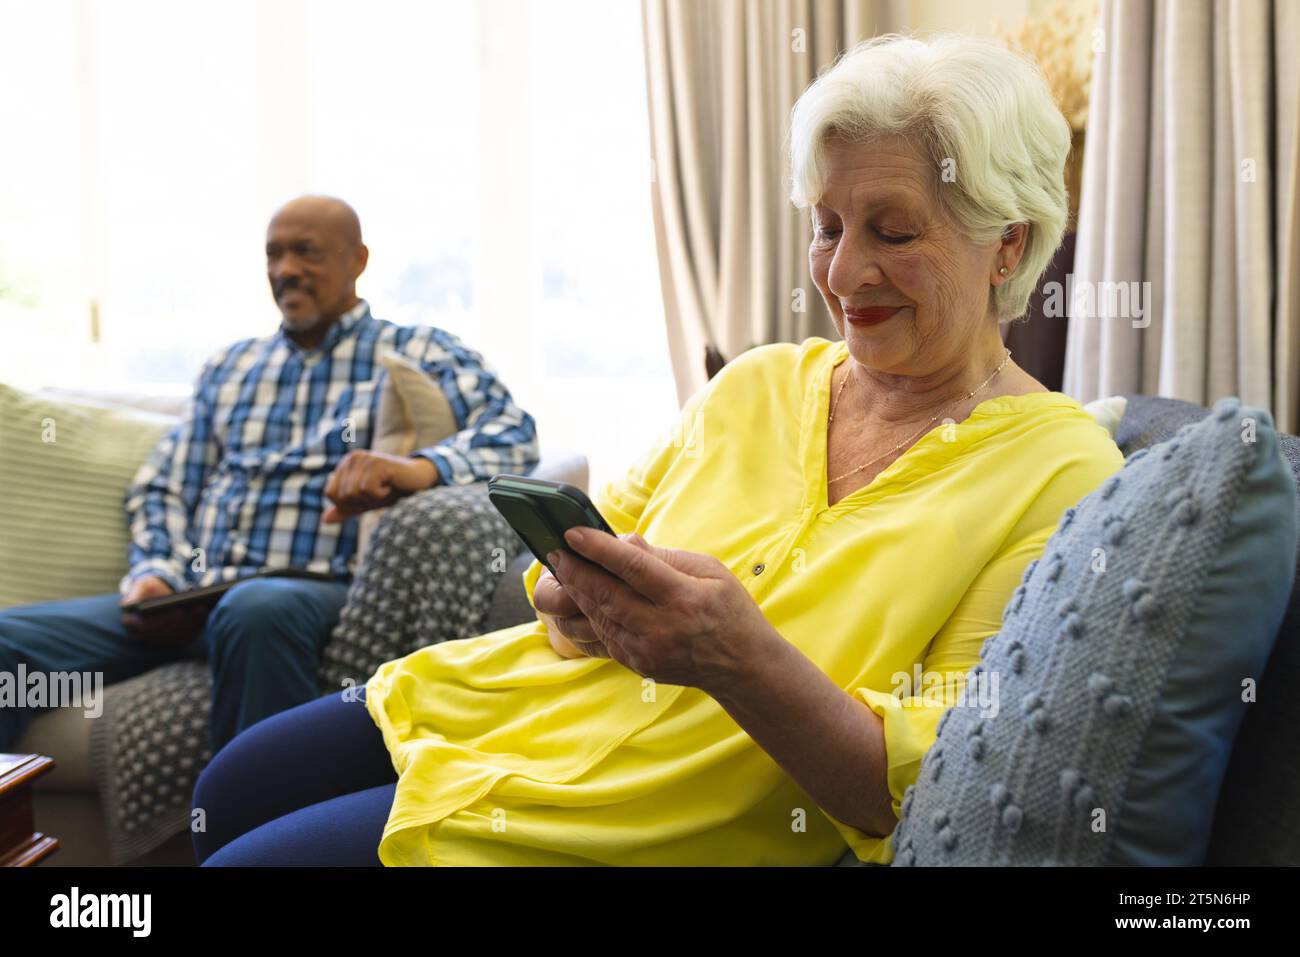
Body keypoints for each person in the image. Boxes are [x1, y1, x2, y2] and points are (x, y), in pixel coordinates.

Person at [193, 34, 1122, 866]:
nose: (842, 274)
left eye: (893, 229)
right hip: (519, 703)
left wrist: (738, 659)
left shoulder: (1062, 473)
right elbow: (572, 573)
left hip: (641, 820)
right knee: (226, 788)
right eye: (827, 226)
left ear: (1009, 244)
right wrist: (573, 597)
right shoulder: (756, 384)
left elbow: (928, 784)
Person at [0, 196, 538, 755]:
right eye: (274, 255)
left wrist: (419, 468)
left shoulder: (416, 349)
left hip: (309, 593)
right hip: (191, 600)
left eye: (306, 253)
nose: (285, 270)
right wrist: (155, 575)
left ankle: (253, 837)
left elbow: (513, 432)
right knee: (7, 642)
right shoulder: (231, 366)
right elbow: (166, 485)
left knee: (255, 609)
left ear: (358, 259)